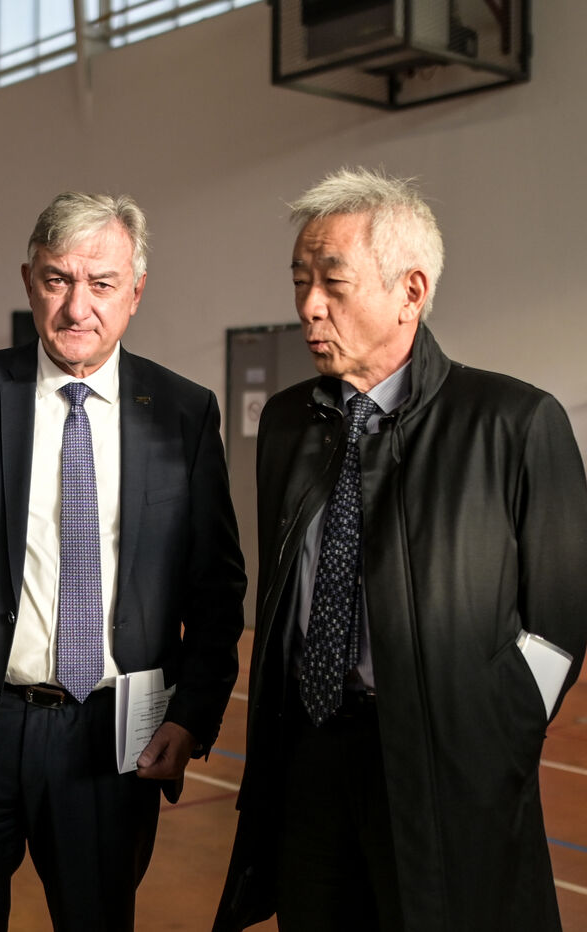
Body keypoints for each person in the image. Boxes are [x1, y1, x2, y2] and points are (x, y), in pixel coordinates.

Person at [213, 168, 587, 932]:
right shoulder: (288, 423)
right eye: (300, 281)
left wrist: (495, 734)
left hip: (446, 767)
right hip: (311, 759)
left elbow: (559, 622)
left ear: (411, 291)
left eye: (333, 282)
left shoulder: (513, 423)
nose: (308, 305)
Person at [0, 192, 247, 930]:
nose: (78, 307)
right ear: (29, 282)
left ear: (135, 291)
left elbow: (217, 587)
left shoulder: (184, 413)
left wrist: (192, 715)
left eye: (102, 284)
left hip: (111, 742)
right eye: (58, 280)